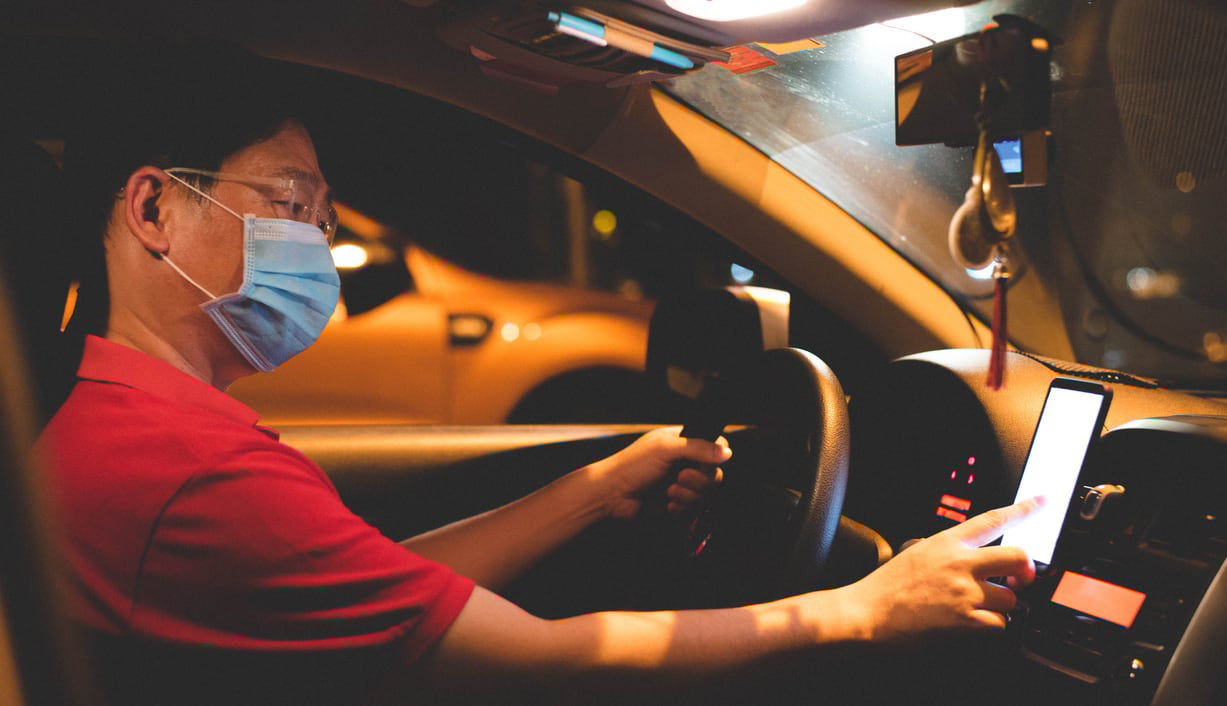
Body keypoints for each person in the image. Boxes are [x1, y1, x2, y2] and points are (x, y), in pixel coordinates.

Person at [35, 47, 1041, 705]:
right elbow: (551, 662)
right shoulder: (189, 475)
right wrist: (861, 606)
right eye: (292, 203)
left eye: (324, 214)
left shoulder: (120, 423)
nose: (318, 241)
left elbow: (384, 595)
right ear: (154, 209)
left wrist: (593, 491)